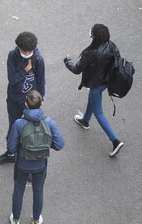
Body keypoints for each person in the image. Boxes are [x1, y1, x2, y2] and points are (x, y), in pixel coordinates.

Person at [64, 23, 124, 156]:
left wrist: (67, 60)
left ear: (95, 36)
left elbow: (76, 69)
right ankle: (85, 120)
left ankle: (115, 140)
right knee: (92, 97)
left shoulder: (90, 53)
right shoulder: (111, 45)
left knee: (98, 112)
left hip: (95, 84)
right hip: (106, 82)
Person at [7, 90, 64, 224]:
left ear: (26, 104)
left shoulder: (19, 124)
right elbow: (60, 144)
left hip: (22, 164)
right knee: (38, 191)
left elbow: (11, 148)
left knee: (18, 191)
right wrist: (45, 144)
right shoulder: (48, 122)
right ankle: (36, 220)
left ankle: (15, 219)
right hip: (40, 164)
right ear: (41, 104)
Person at [0, 32, 46, 165]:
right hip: (14, 100)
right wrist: (26, 70)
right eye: (24, 51)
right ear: (19, 48)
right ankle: (10, 153)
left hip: (31, 102)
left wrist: (41, 99)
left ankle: (28, 160)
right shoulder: (13, 55)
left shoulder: (39, 59)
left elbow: (41, 81)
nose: (27, 53)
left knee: (30, 132)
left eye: (30, 51)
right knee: (13, 127)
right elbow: (12, 80)